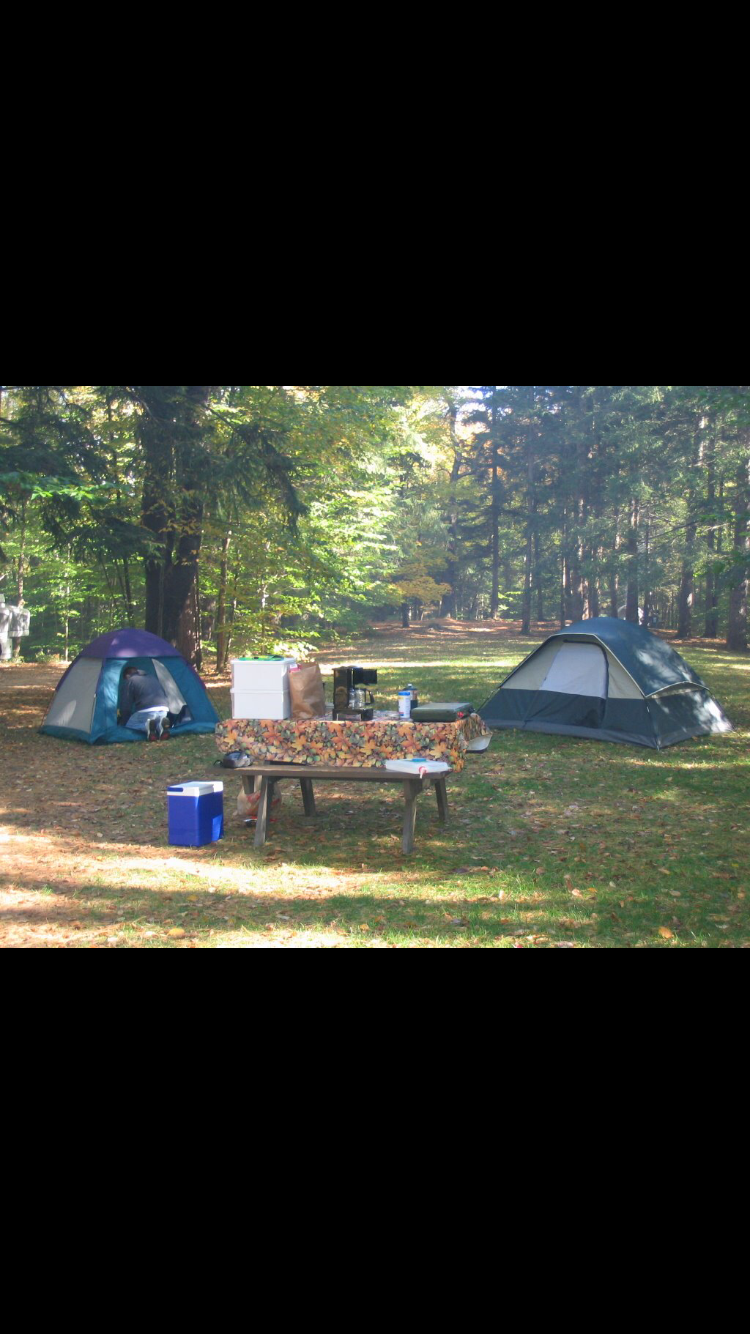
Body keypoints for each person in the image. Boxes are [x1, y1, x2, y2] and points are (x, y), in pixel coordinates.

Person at [120, 665, 172, 740]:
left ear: (127, 676)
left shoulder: (130, 680)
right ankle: (160, 726)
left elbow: (125, 704)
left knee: (130, 726)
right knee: (155, 721)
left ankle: (146, 727)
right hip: (164, 709)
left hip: (147, 710)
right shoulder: (152, 677)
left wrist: (123, 721)